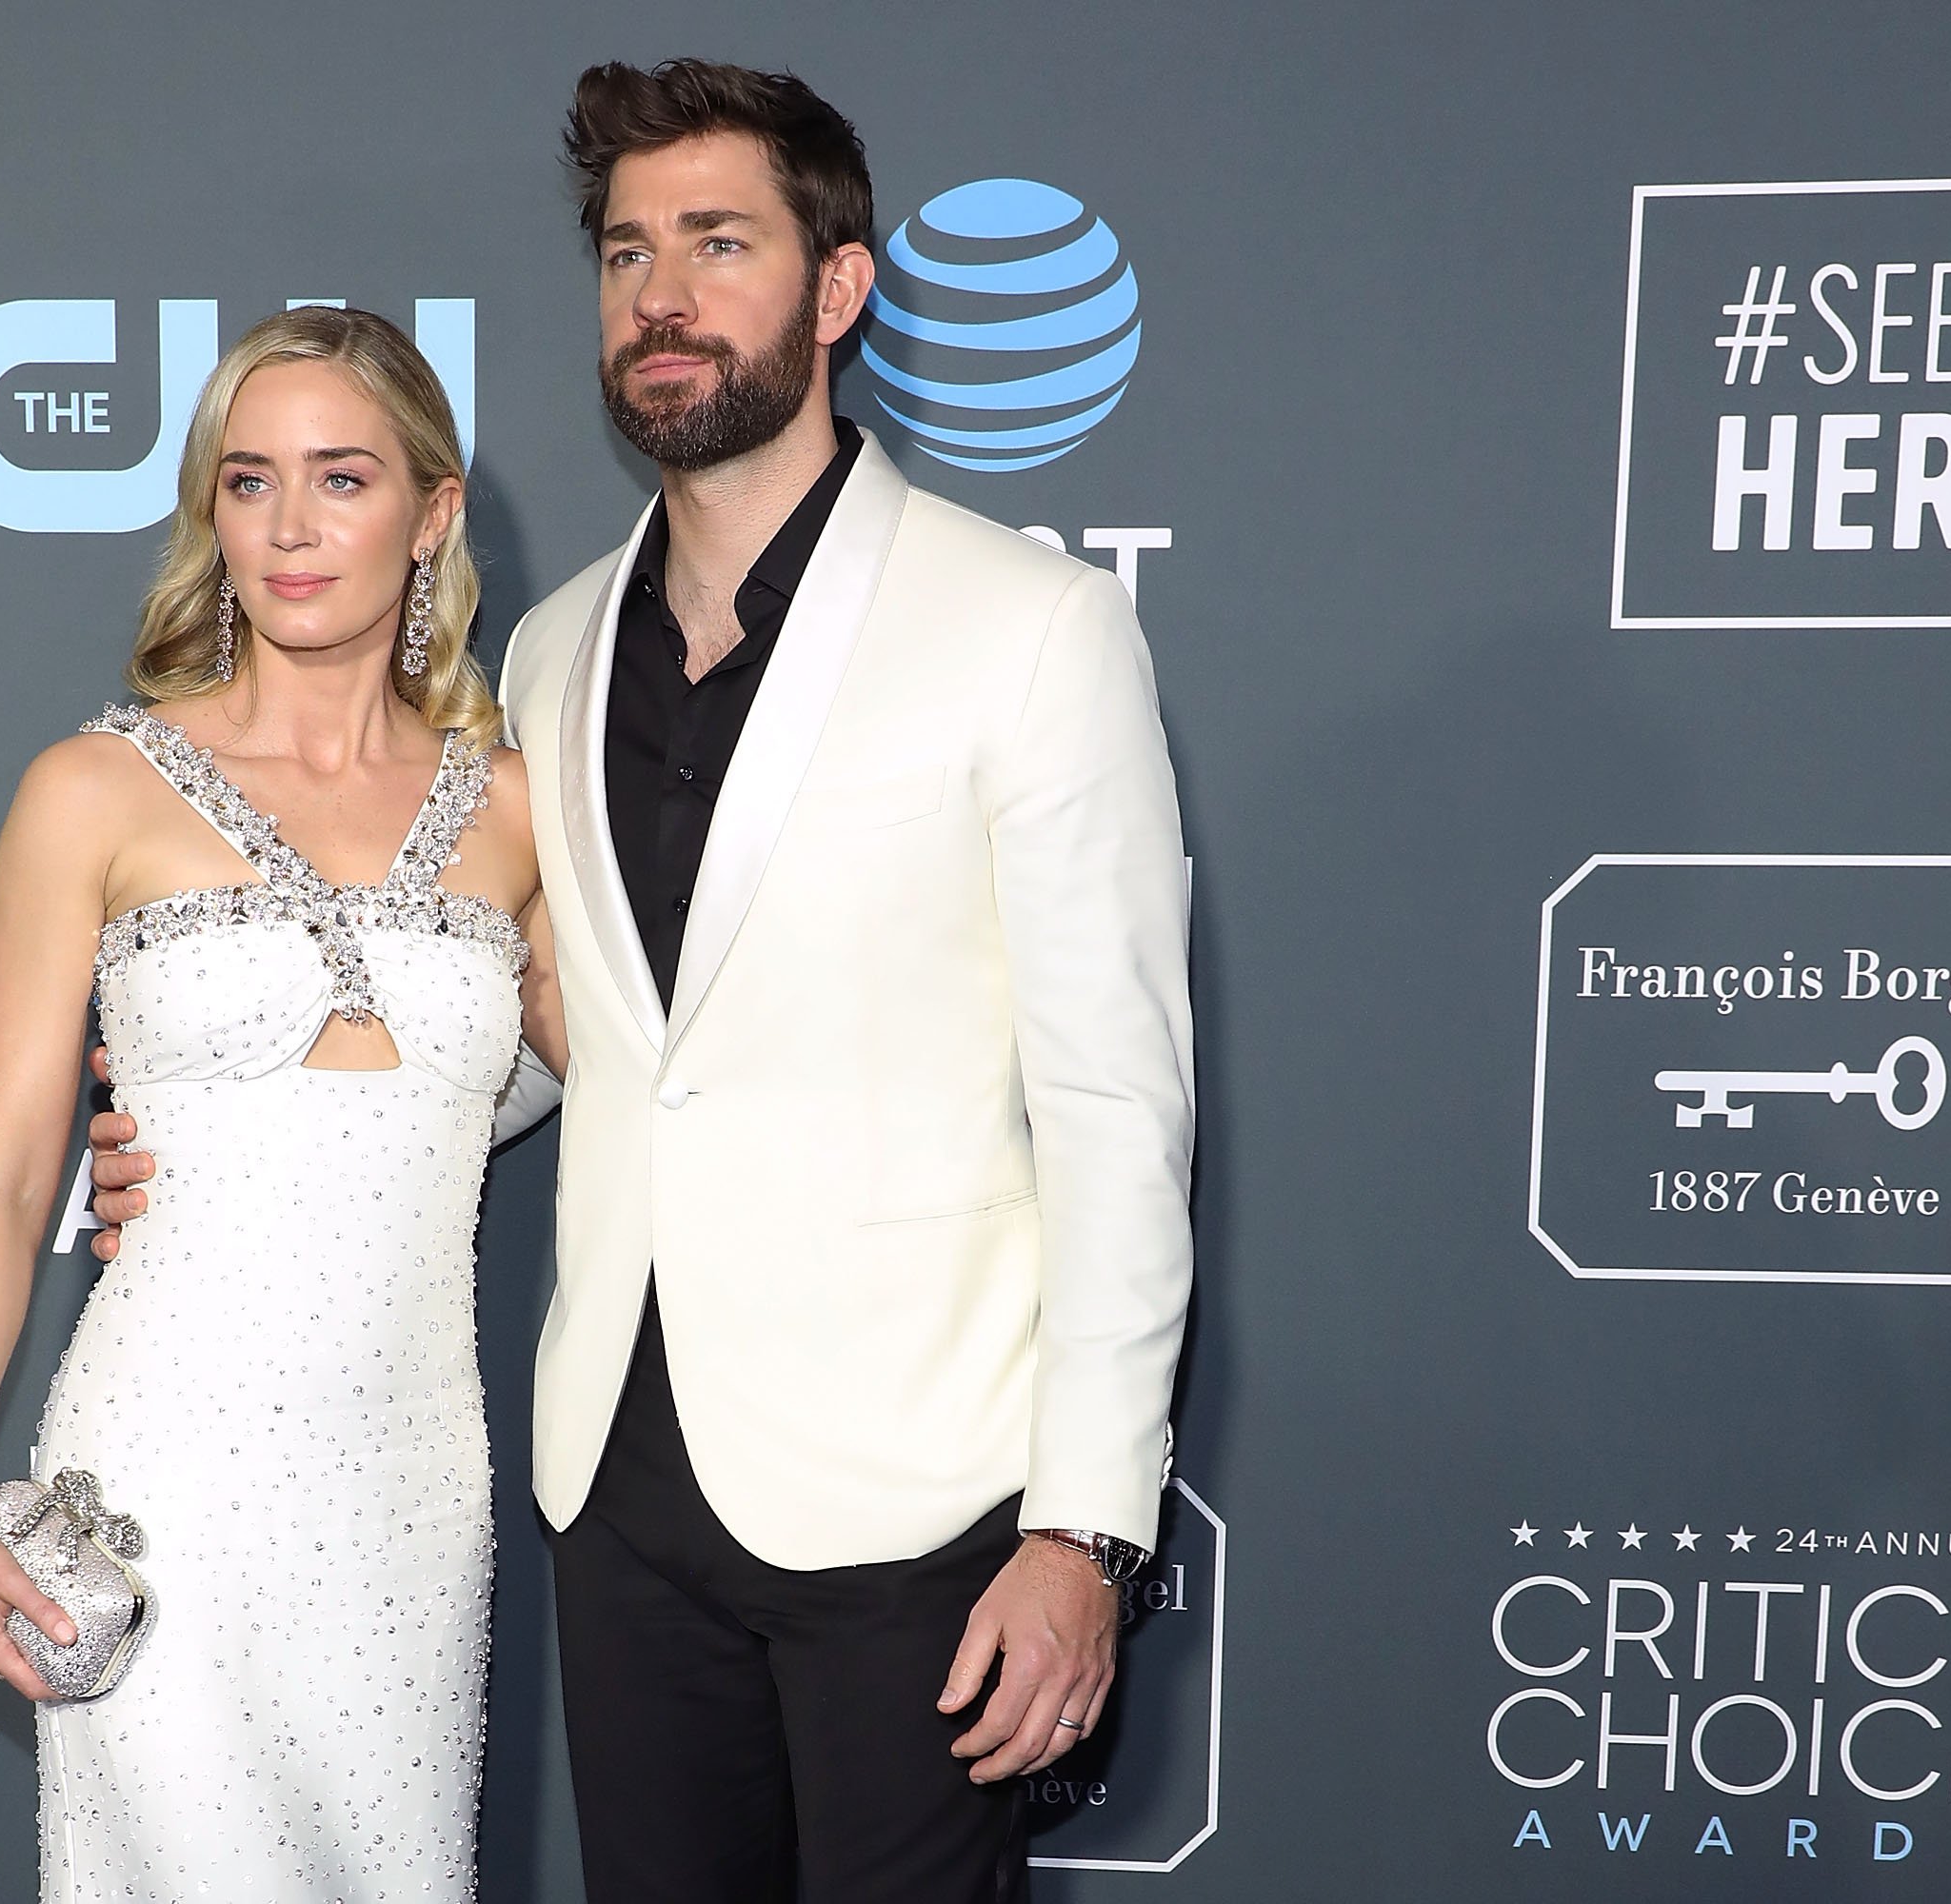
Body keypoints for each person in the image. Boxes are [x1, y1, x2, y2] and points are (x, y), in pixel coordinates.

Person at [92, 58, 1195, 1904]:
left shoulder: (1030, 629)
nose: (659, 297)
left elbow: (1117, 1109)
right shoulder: (542, 650)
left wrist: (1086, 1527)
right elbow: (527, 1038)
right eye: (625, 256)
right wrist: (242, 1141)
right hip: (619, 1490)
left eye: (717, 244)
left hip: (915, 1495)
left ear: (837, 290)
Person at [0, 305, 563, 1903]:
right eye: (249, 480)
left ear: (434, 509)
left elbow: (550, 1077)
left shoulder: (522, 812)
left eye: (342, 478)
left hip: (407, 1490)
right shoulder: (93, 791)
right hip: (168, 1482)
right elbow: (0, 1180)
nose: (289, 526)